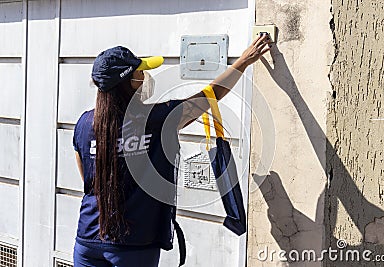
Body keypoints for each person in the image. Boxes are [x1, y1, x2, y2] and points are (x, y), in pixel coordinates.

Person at [72, 35, 271, 267]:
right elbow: (210, 96)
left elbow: (88, 180)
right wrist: (243, 62)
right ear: (128, 82)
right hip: (134, 245)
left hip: (88, 240)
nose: (145, 77)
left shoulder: (84, 124)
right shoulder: (156, 119)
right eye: (140, 73)